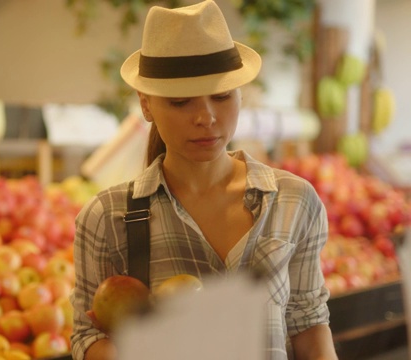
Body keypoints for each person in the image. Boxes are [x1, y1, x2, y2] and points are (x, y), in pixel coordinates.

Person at [69, 1, 338, 359]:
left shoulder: (293, 200)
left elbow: (308, 323)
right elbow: (86, 336)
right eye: (181, 102)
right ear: (146, 105)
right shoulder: (108, 218)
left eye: (222, 96)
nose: (206, 117)